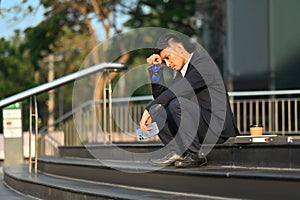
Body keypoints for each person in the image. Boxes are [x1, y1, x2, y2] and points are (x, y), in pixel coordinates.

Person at [139, 34, 239, 168]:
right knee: (160, 107)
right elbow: (161, 97)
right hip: (201, 128)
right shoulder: (182, 75)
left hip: (217, 130)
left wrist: (150, 108)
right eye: (164, 61)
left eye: (168, 58)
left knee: (175, 103)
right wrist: (156, 69)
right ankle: (176, 151)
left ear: (179, 48)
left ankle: (196, 154)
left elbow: (177, 91)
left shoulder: (204, 64)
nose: (168, 64)